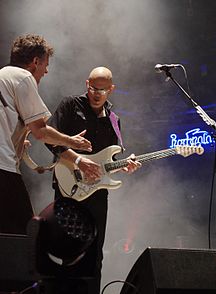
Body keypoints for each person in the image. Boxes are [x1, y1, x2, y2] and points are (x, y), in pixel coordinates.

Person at [46, 66, 141, 294]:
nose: (97, 94)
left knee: (95, 253)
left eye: (103, 89)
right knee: (68, 251)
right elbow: (48, 136)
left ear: (111, 89)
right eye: (93, 88)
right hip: (69, 187)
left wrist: (125, 165)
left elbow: (110, 160)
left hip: (97, 194)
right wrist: (78, 160)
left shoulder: (114, 119)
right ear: (86, 84)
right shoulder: (70, 105)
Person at [0, 34, 101, 235]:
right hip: (3, 169)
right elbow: (41, 131)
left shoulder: (3, 75)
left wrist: (18, 141)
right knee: (22, 236)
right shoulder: (23, 77)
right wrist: (71, 141)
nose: (45, 71)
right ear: (35, 61)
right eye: (45, 65)